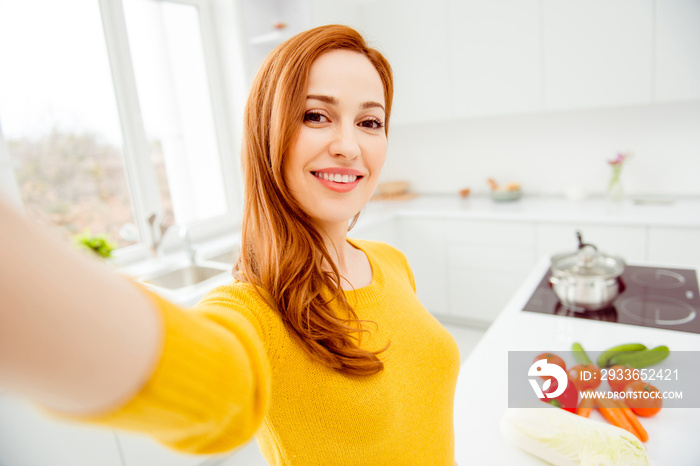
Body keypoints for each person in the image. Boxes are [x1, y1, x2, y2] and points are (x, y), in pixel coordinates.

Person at [0, 25, 461, 464]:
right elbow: (213, 389)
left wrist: (536, 391)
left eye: (369, 121)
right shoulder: (254, 310)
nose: (348, 145)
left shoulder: (390, 261)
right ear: (268, 135)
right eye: (316, 115)